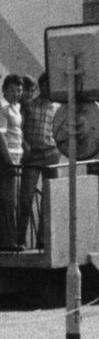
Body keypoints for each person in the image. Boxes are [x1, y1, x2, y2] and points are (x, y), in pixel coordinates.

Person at [17, 74, 61, 251]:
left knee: (49, 199)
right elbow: (19, 128)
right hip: (33, 155)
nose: (49, 90)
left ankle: (43, 239)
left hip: (51, 153)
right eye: (47, 86)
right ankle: (20, 239)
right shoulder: (29, 105)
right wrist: (25, 145)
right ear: (42, 86)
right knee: (26, 197)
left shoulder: (57, 107)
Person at [0, 74, 25, 251]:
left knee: (12, 200)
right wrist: (8, 160)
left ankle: (10, 239)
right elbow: (1, 135)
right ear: (5, 90)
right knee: (8, 201)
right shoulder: (3, 108)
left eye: (19, 90)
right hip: (7, 159)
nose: (17, 93)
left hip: (17, 157)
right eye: (13, 90)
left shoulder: (16, 107)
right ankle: (9, 241)